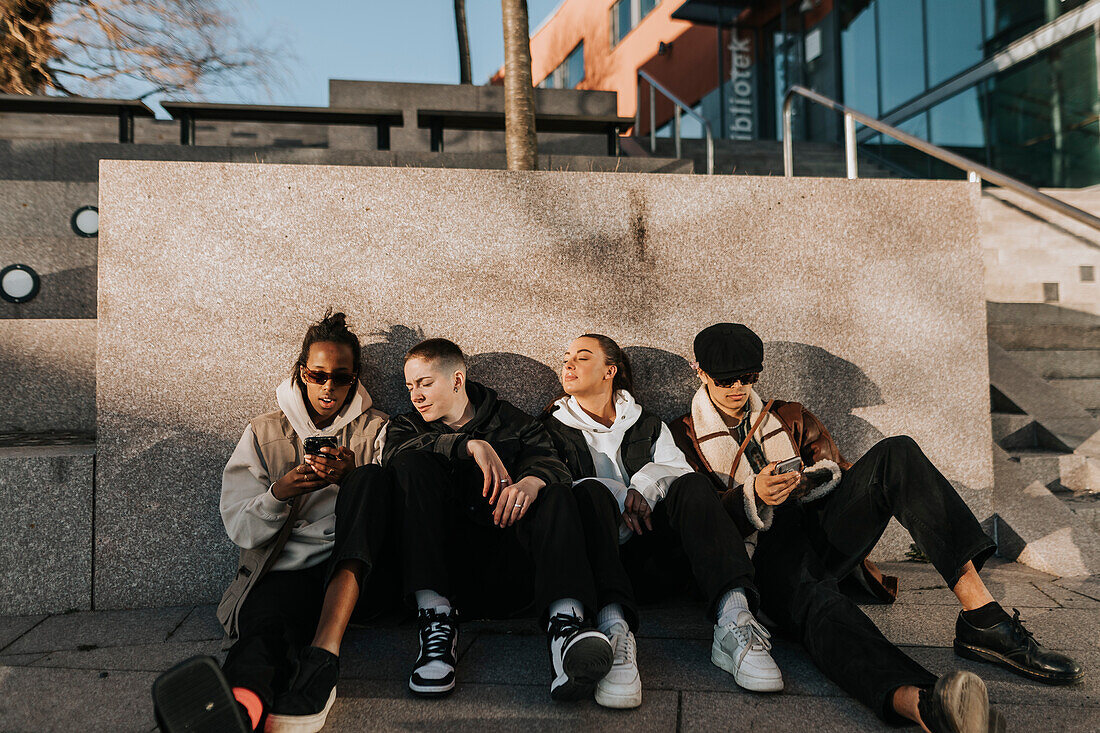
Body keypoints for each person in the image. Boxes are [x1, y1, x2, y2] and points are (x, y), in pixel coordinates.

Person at [673, 323, 1084, 733]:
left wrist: (806, 481)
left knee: (897, 452)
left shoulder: (788, 415)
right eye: (726, 379)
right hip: (759, 557)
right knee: (819, 601)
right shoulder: (683, 435)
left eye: (749, 377)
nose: (738, 388)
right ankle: (923, 703)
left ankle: (983, 619)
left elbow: (841, 471)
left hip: (817, 527)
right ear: (700, 372)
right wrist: (753, 494)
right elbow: (698, 527)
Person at [152, 311, 396, 733]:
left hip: (361, 573)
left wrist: (353, 479)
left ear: (355, 380)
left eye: (341, 378)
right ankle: (239, 714)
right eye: (318, 375)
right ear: (302, 373)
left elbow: (393, 510)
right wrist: (280, 492)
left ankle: (310, 668)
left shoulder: (377, 429)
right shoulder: (264, 432)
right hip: (287, 570)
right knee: (266, 633)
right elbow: (240, 529)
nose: (328, 387)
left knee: (371, 478)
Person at [540, 334, 782, 709]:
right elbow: (551, 483)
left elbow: (677, 468)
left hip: (653, 558)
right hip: (596, 568)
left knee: (693, 486)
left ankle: (735, 621)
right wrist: (618, 495)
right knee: (587, 494)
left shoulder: (647, 422)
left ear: (610, 371)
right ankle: (613, 632)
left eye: (581, 357)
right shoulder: (550, 426)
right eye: (566, 356)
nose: (568, 364)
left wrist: (644, 486)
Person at [383, 338, 614, 700]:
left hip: (513, 567)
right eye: (410, 386)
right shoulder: (407, 427)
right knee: (411, 466)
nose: (416, 395)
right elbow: (393, 455)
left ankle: (565, 630)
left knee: (556, 492)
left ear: (457, 380)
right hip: (447, 575)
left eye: (425, 383)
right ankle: (436, 625)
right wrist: (466, 445)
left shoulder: (511, 420)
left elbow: (553, 461)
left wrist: (532, 481)